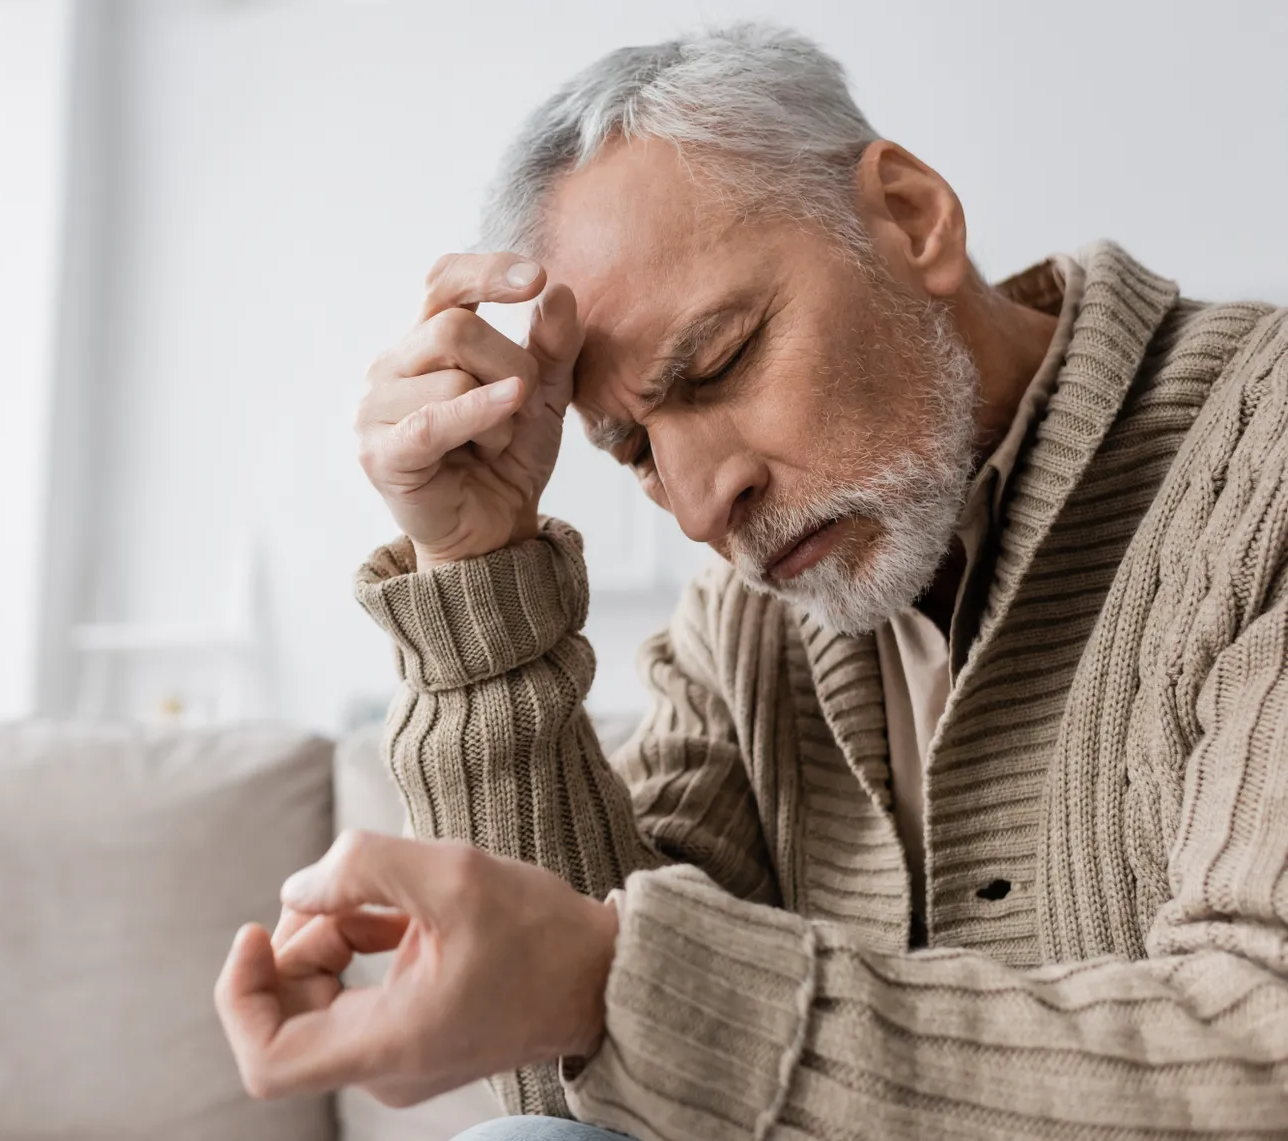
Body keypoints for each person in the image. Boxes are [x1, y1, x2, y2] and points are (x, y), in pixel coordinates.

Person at [215, 23, 1288, 1140]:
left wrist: (609, 984)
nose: (693, 505)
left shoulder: (1262, 455)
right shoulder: (744, 629)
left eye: (718, 362)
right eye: (631, 450)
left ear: (911, 218)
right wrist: (473, 566)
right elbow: (560, 1083)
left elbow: (1264, 1051)